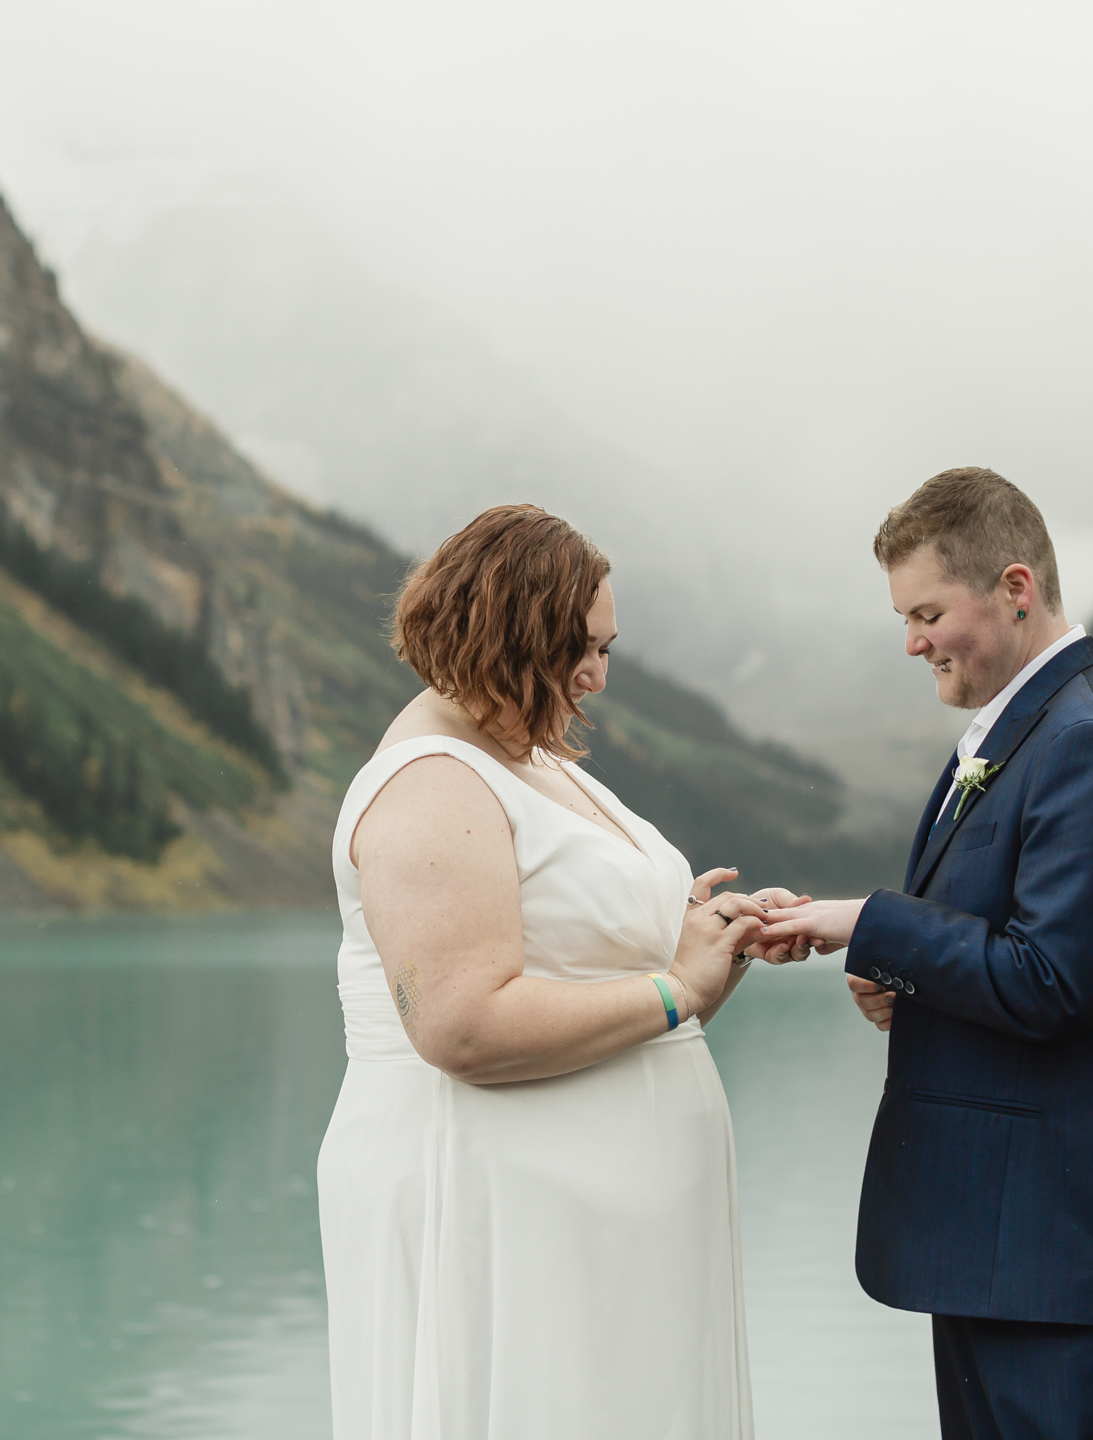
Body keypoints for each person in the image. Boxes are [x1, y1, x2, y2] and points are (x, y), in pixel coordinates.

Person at [760, 467, 1093, 1440]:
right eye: (904, 618)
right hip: (1005, 1248)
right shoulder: (1019, 733)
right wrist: (896, 975)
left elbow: (1050, 979)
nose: (912, 642)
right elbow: (1004, 941)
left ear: (1015, 588)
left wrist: (870, 922)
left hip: (1072, 1261)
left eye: (928, 611)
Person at [317, 504, 802, 1439]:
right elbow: (460, 1025)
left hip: (605, 1234)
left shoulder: (530, 756)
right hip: (508, 1221)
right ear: (503, 632)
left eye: (607, 647)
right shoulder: (430, 780)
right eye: (578, 647)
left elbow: (572, 935)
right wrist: (675, 990)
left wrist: (696, 934)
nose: (598, 675)